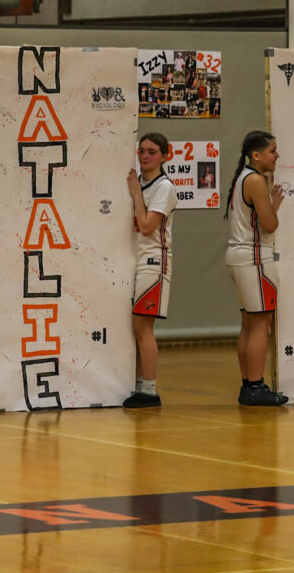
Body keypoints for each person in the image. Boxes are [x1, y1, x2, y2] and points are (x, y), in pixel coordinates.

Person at [224, 130, 288, 406]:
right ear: (256, 155)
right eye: (272, 150)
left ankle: (248, 385)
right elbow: (269, 225)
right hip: (255, 258)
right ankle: (255, 386)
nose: (276, 155)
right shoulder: (256, 181)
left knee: (249, 324)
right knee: (261, 324)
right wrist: (274, 206)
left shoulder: (241, 178)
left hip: (238, 256)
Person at [124, 133, 177, 408]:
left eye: (152, 152)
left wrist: (135, 195)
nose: (145, 156)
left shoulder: (164, 187)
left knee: (143, 327)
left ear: (165, 156)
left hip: (155, 262)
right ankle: (138, 386)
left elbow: (146, 226)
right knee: (136, 328)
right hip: (138, 260)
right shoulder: (143, 182)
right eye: (142, 151)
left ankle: (150, 391)